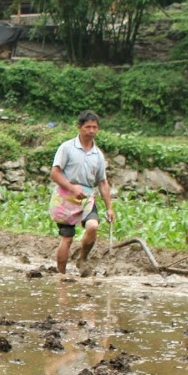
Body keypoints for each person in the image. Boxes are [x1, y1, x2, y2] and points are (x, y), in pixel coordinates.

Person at [51, 110, 114, 276]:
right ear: (79, 127)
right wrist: (72, 188)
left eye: (95, 127)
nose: (91, 131)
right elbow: (55, 173)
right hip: (66, 196)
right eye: (88, 127)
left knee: (93, 226)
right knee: (67, 238)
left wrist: (109, 207)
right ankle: (61, 275)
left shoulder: (98, 154)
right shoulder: (67, 148)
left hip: (87, 197)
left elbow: (102, 181)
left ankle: (82, 257)